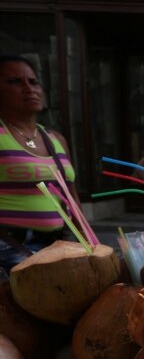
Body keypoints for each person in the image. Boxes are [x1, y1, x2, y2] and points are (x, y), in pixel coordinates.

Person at [0, 54, 81, 272]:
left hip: (56, 245)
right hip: (9, 249)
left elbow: (71, 198)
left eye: (33, 81)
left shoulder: (56, 139)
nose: (29, 88)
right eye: (14, 81)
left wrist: (90, 242)